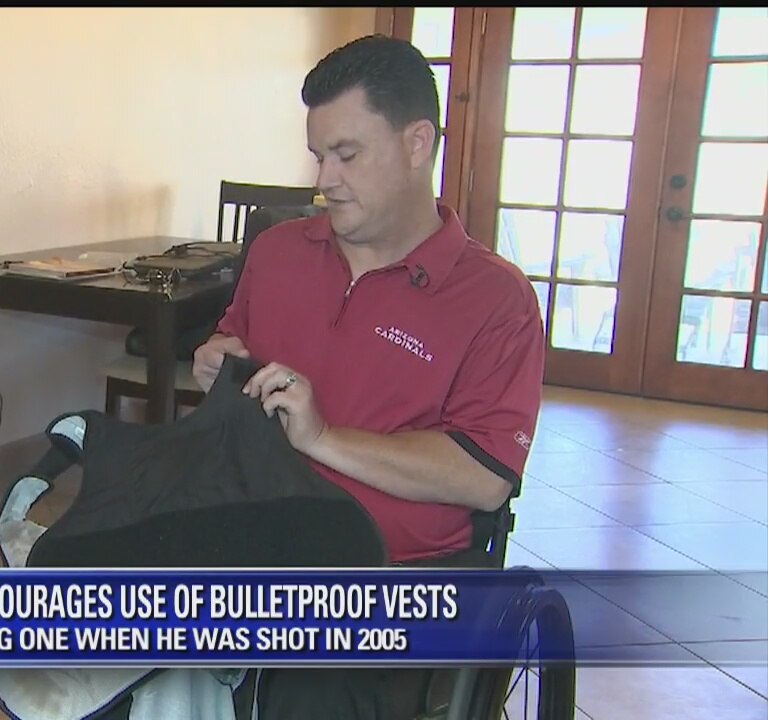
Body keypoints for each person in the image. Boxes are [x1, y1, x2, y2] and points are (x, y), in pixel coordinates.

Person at [193, 34, 546, 567]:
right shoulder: (275, 251)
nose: (324, 181)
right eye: (319, 157)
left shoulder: (497, 300)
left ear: (417, 144)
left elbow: (484, 477)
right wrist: (217, 361)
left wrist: (322, 438)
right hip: (248, 538)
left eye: (347, 155)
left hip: (390, 572)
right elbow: (234, 346)